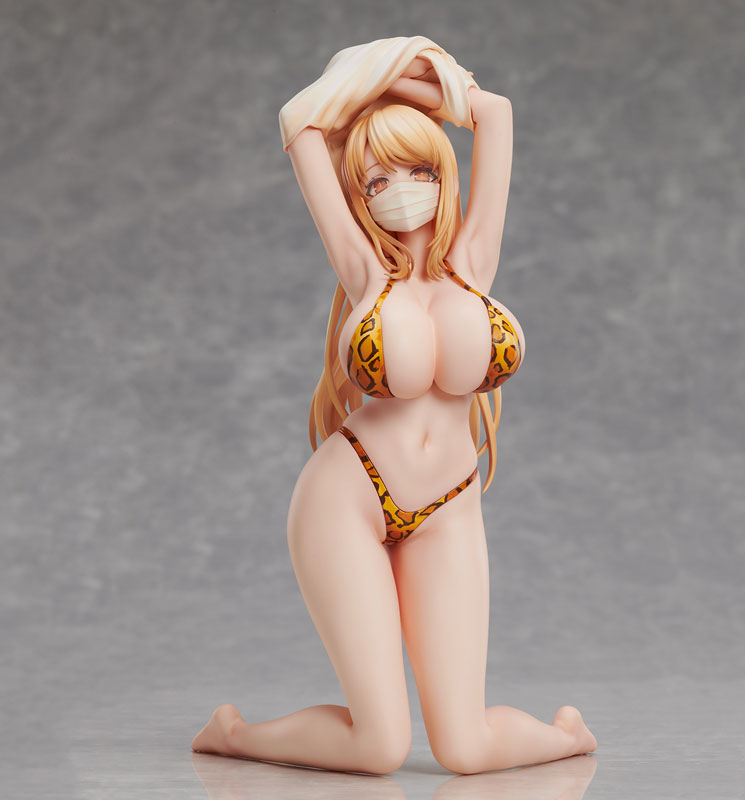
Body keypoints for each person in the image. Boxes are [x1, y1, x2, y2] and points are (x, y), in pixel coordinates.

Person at [191, 36, 598, 776]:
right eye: (376, 179)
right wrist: (369, 78)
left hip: (449, 505)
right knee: (378, 747)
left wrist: (420, 77)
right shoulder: (363, 272)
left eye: (418, 170)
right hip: (348, 498)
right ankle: (233, 734)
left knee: (466, 749)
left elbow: (496, 112)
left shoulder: (473, 264)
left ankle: (569, 737)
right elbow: (299, 122)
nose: (400, 189)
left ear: (443, 173)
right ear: (359, 196)